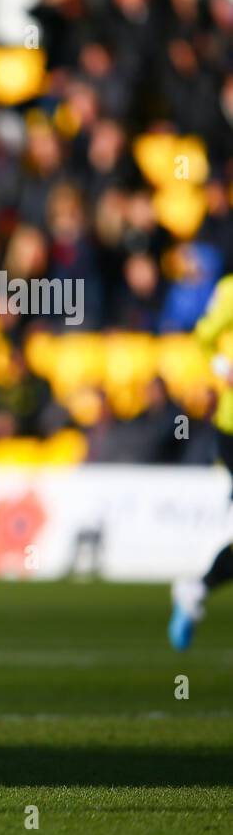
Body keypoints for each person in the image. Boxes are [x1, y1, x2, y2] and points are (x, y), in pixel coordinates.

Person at [171, 274, 233, 649]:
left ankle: (196, 589)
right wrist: (224, 369)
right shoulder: (230, 290)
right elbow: (202, 336)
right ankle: (197, 588)